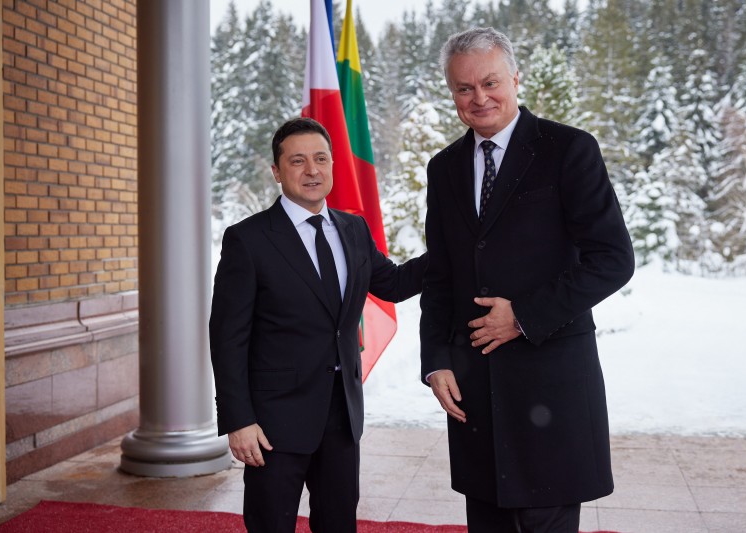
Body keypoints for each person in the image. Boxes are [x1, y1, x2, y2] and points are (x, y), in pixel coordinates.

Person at [420, 27, 635, 532]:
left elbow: (613, 259)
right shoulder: (443, 168)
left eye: (490, 82)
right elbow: (440, 273)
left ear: (516, 79)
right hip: (475, 390)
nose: (479, 98)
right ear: (452, 92)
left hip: (551, 385)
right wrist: (436, 360)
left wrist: (521, 316)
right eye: (464, 88)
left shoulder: (569, 149)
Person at [209, 117, 426, 533]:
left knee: (339, 524)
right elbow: (227, 339)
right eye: (298, 161)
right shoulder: (248, 240)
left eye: (321, 159)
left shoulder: (353, 229)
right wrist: (238, 420)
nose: (312, 170)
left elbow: (394, 283)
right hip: (274, 422)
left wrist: (451, 249)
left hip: (341, 416)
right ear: (277, 171)